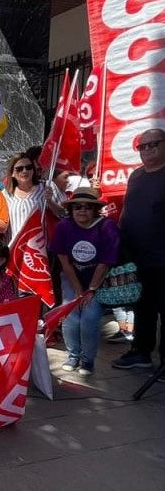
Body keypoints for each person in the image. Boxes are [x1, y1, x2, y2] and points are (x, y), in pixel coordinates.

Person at [50, 188, 120, 377]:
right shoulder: (63, 227)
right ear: (71, 209)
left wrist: (90, 290)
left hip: (98, 279)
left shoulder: (107, 227)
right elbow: (64, 261)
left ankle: (88, 360)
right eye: (77, 207)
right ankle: (73, 356)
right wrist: (79, 291)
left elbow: (104, 263)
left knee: (89, 318)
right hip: (72, 277)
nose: (82, 211)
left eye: (88, 207)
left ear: (95, 210)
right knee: (71, 316)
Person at [113, 128, 165, 370]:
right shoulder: (136, 176)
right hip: (136, 256)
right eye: (141, 146)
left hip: (161, 258)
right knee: (142, 307)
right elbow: (127, 208)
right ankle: (141, 353)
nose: (146, 150)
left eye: (152, 144)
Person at [2, 153, 63, 243]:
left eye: (29, 167)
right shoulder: (5, 194)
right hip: (15, 249)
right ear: (12, 173)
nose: (25, 171)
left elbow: (64, 214)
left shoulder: (47, 187)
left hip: (39, 250)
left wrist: (50, 201)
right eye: (19, 169)